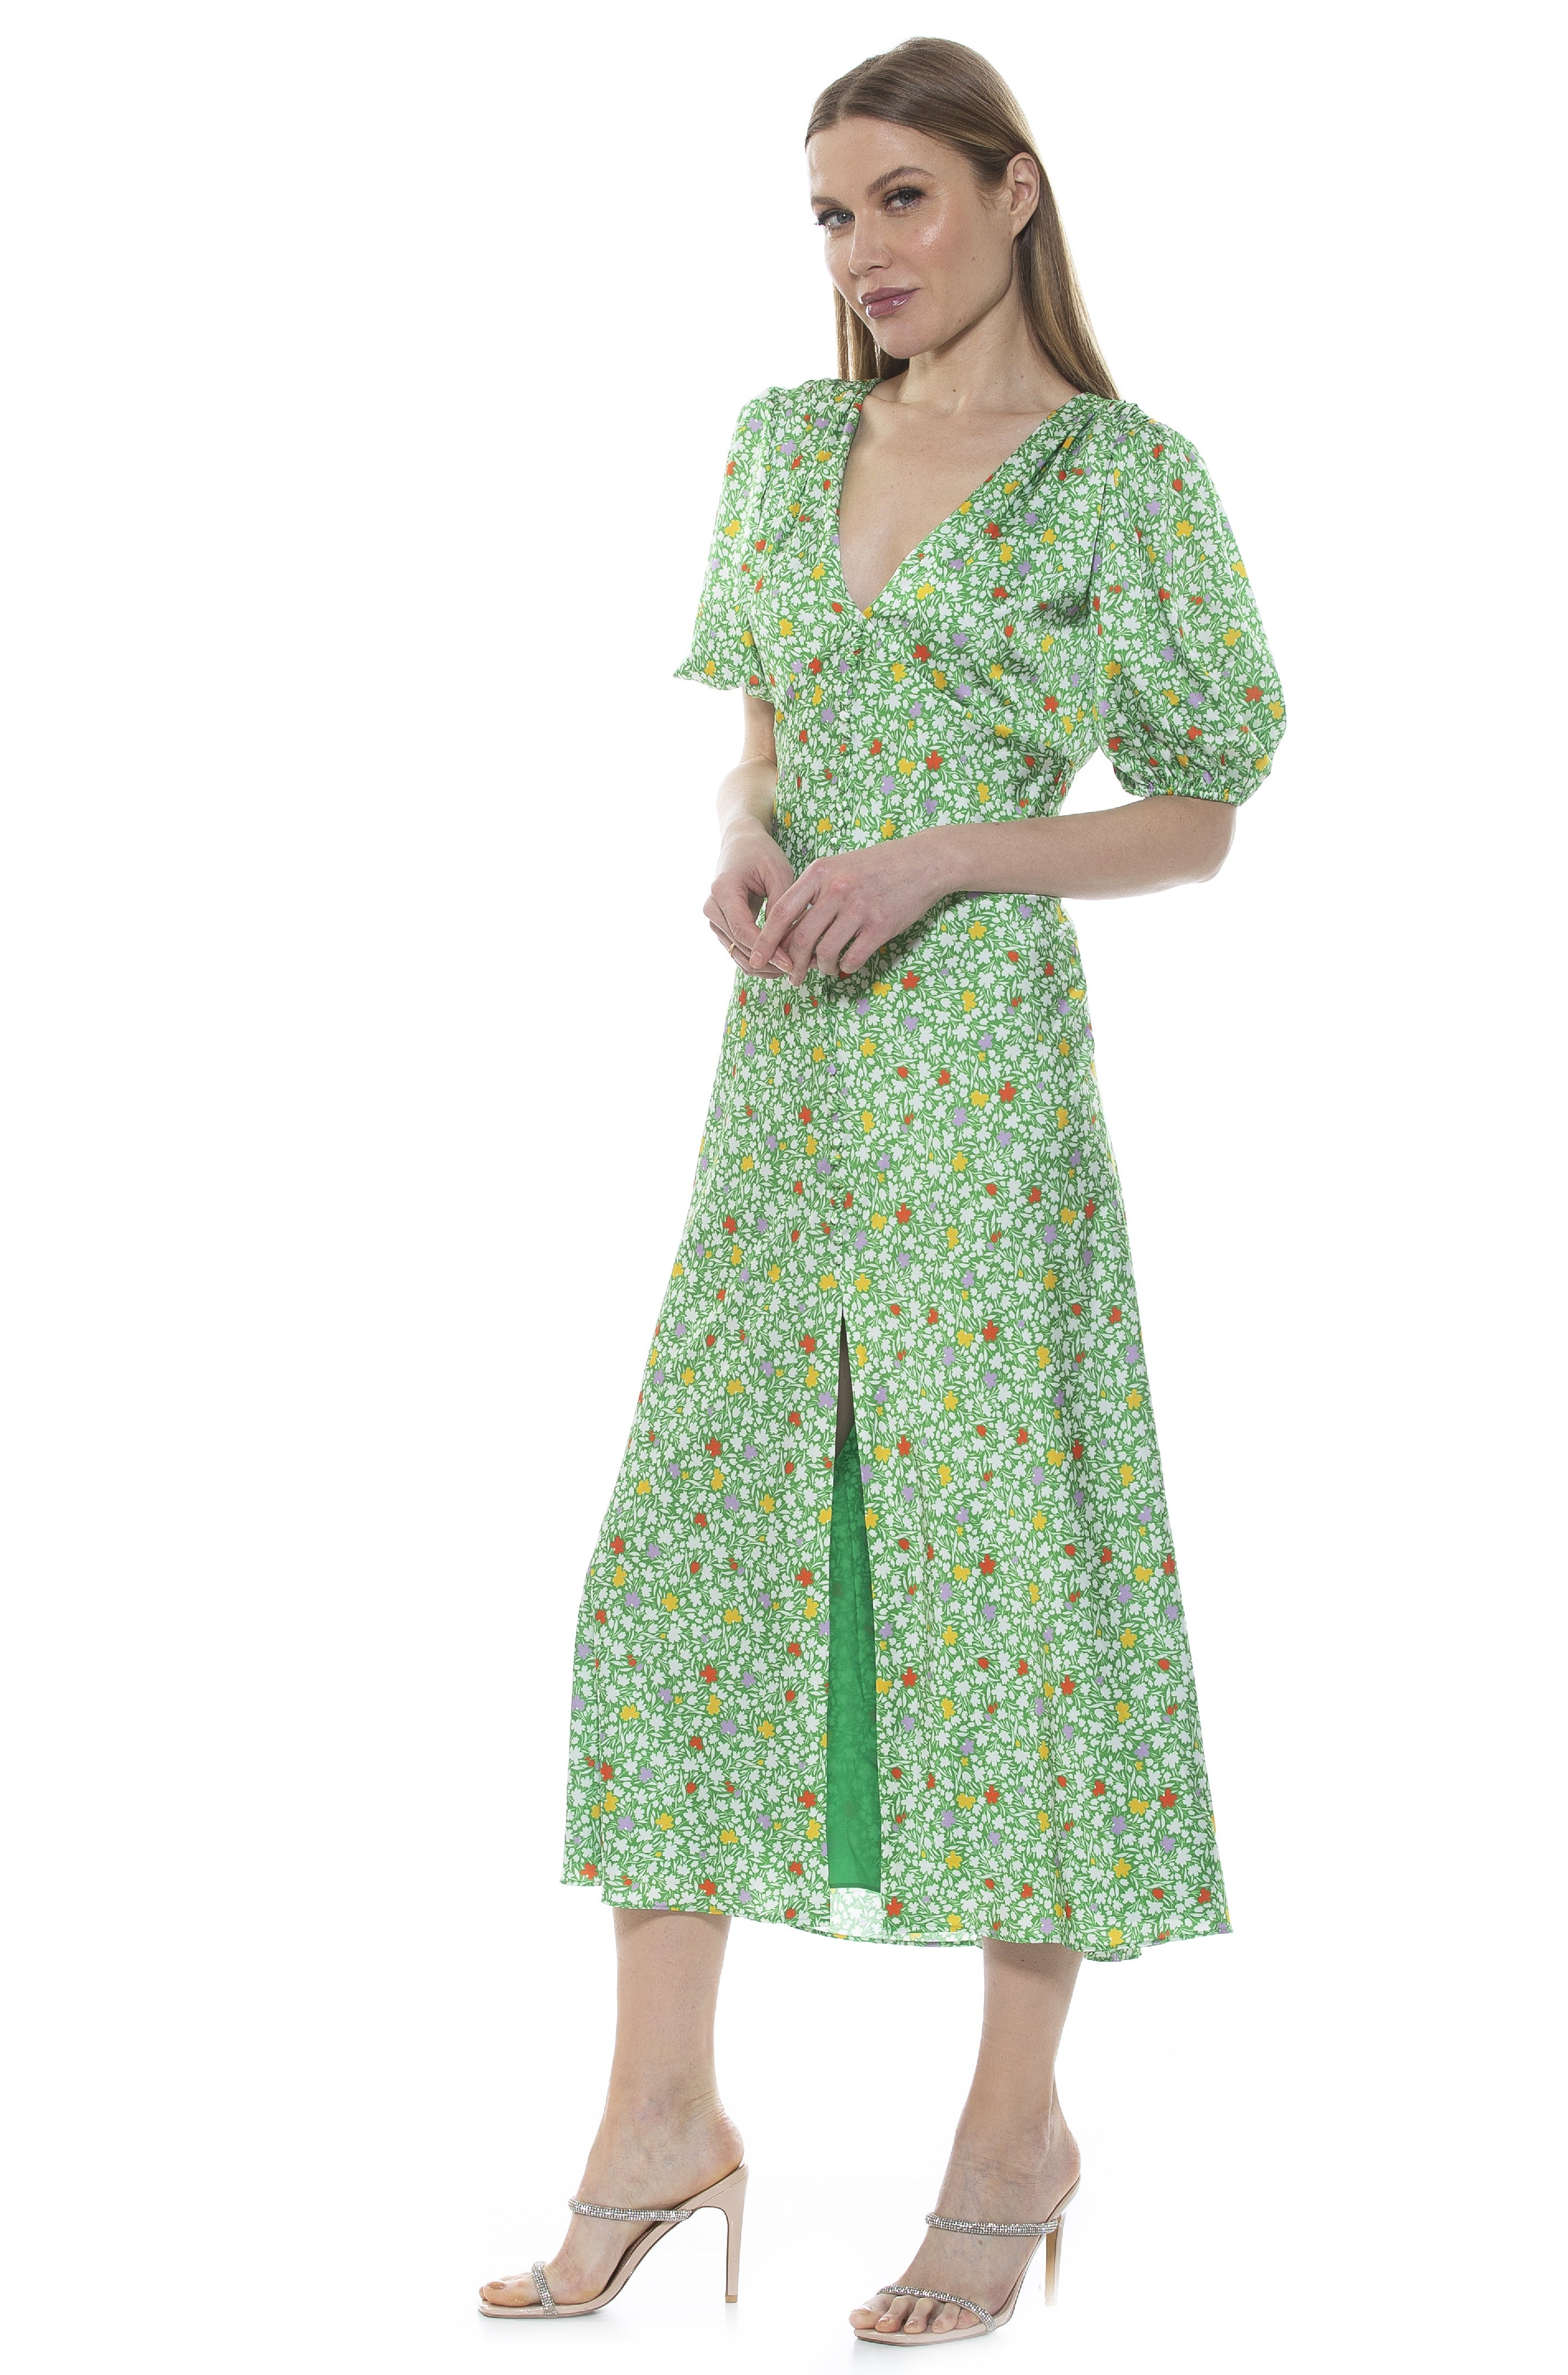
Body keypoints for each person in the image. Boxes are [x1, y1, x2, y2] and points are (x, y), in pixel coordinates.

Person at [480, 35, 1287, 2343]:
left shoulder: (1123, 477)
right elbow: (760, 740)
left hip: (981, 1076)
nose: (864, 253)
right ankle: (659, 2118)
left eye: (902, 198)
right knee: (685, 1562)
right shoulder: (782, 439)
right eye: (832, 215)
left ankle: (1013, 2134)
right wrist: (744, 838)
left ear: (1016, 192)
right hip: (789, 1078)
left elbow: (1202, 809)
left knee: (1006, 1567)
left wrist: (946, 857)